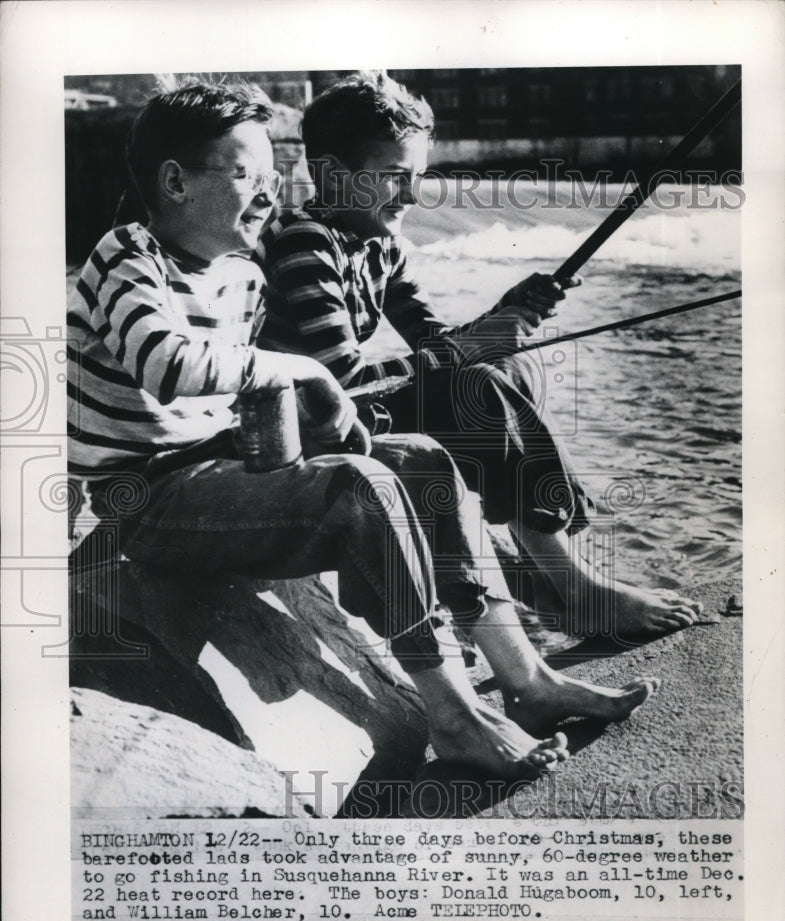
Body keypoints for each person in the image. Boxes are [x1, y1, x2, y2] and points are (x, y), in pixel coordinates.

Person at [67, 80, 661, 783]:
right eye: (246, 175)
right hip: (148, 499)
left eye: (270, 176)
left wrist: (312, 431)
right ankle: (454, 716)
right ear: (174, 181)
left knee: (423, 460)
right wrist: (311, 380)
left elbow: (252, 396)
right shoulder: (126, 255)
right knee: (359, 484)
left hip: (219, 469)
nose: (267, 194)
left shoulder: (242, 276)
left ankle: (525, 677)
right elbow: (166, 366)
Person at [256, 71, 702, 640]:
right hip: (310, 424)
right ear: (330, 175)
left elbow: (436, 343)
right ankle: (575, 588)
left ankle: (544, 565)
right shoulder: (306, 243)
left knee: (507, 367)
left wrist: (503, 315)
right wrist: (472, 346)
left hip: (352, 410)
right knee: (478, 384)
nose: (412, 196)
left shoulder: (379, 244)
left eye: (416, 177)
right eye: (394, 178)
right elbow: (341, 379)